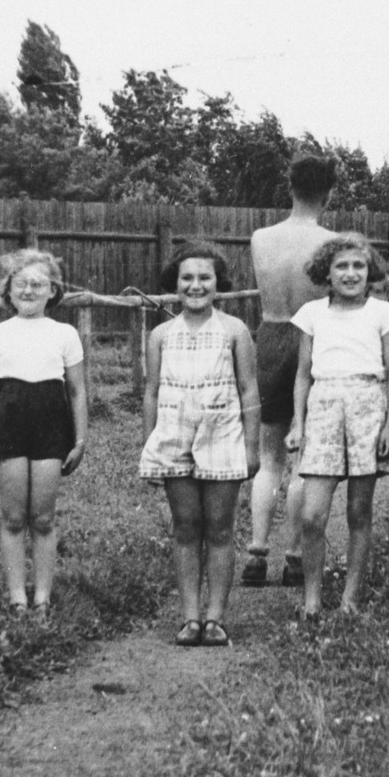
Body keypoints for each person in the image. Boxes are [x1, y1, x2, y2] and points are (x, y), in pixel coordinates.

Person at [140, 242, 262, 647]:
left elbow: (248, 391)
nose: (196, 285)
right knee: (186, 528)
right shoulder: (160, 335)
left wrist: (252, 447)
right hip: (174, 438)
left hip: (223, 437)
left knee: (221, 529)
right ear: (175, 284)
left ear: (218, 283)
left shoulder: (235, 331)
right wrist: (150, 442)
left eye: (204, 277)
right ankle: (190, 617)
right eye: (187, 278)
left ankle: (216, 618)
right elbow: (151, 392)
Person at [287, 233, 389, 617]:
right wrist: (298, 423)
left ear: (370, 271)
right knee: (312, 514)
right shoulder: (312, 314)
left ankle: (350, 598)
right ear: (327, 271)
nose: (351, 274)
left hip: (367, 407)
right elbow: (303, 374)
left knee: (359, 511)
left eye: (359, 266)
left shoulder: (384, 314)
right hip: (323, 406)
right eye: (342, 266)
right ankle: (311, 599)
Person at [0, 249, 88, 614]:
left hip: (51, 429)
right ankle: (17, 597)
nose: (29, 290)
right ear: (7, 289)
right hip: (7, 428)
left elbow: (77, 391)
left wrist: (80, 439)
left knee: (43, 517)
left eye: (38, 283)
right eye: (20, 282)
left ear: (53, 290)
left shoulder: (65, 334)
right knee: (13, 517)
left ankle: (42, 596)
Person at [243, 154, 340, 590]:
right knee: (305, 458)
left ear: (290, 187)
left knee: (269, 458)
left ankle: (256, 551)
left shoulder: (261, 237)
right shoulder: (332, 241)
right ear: (329, 192)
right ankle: (296, 554)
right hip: (311, 343)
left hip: (269, 335)